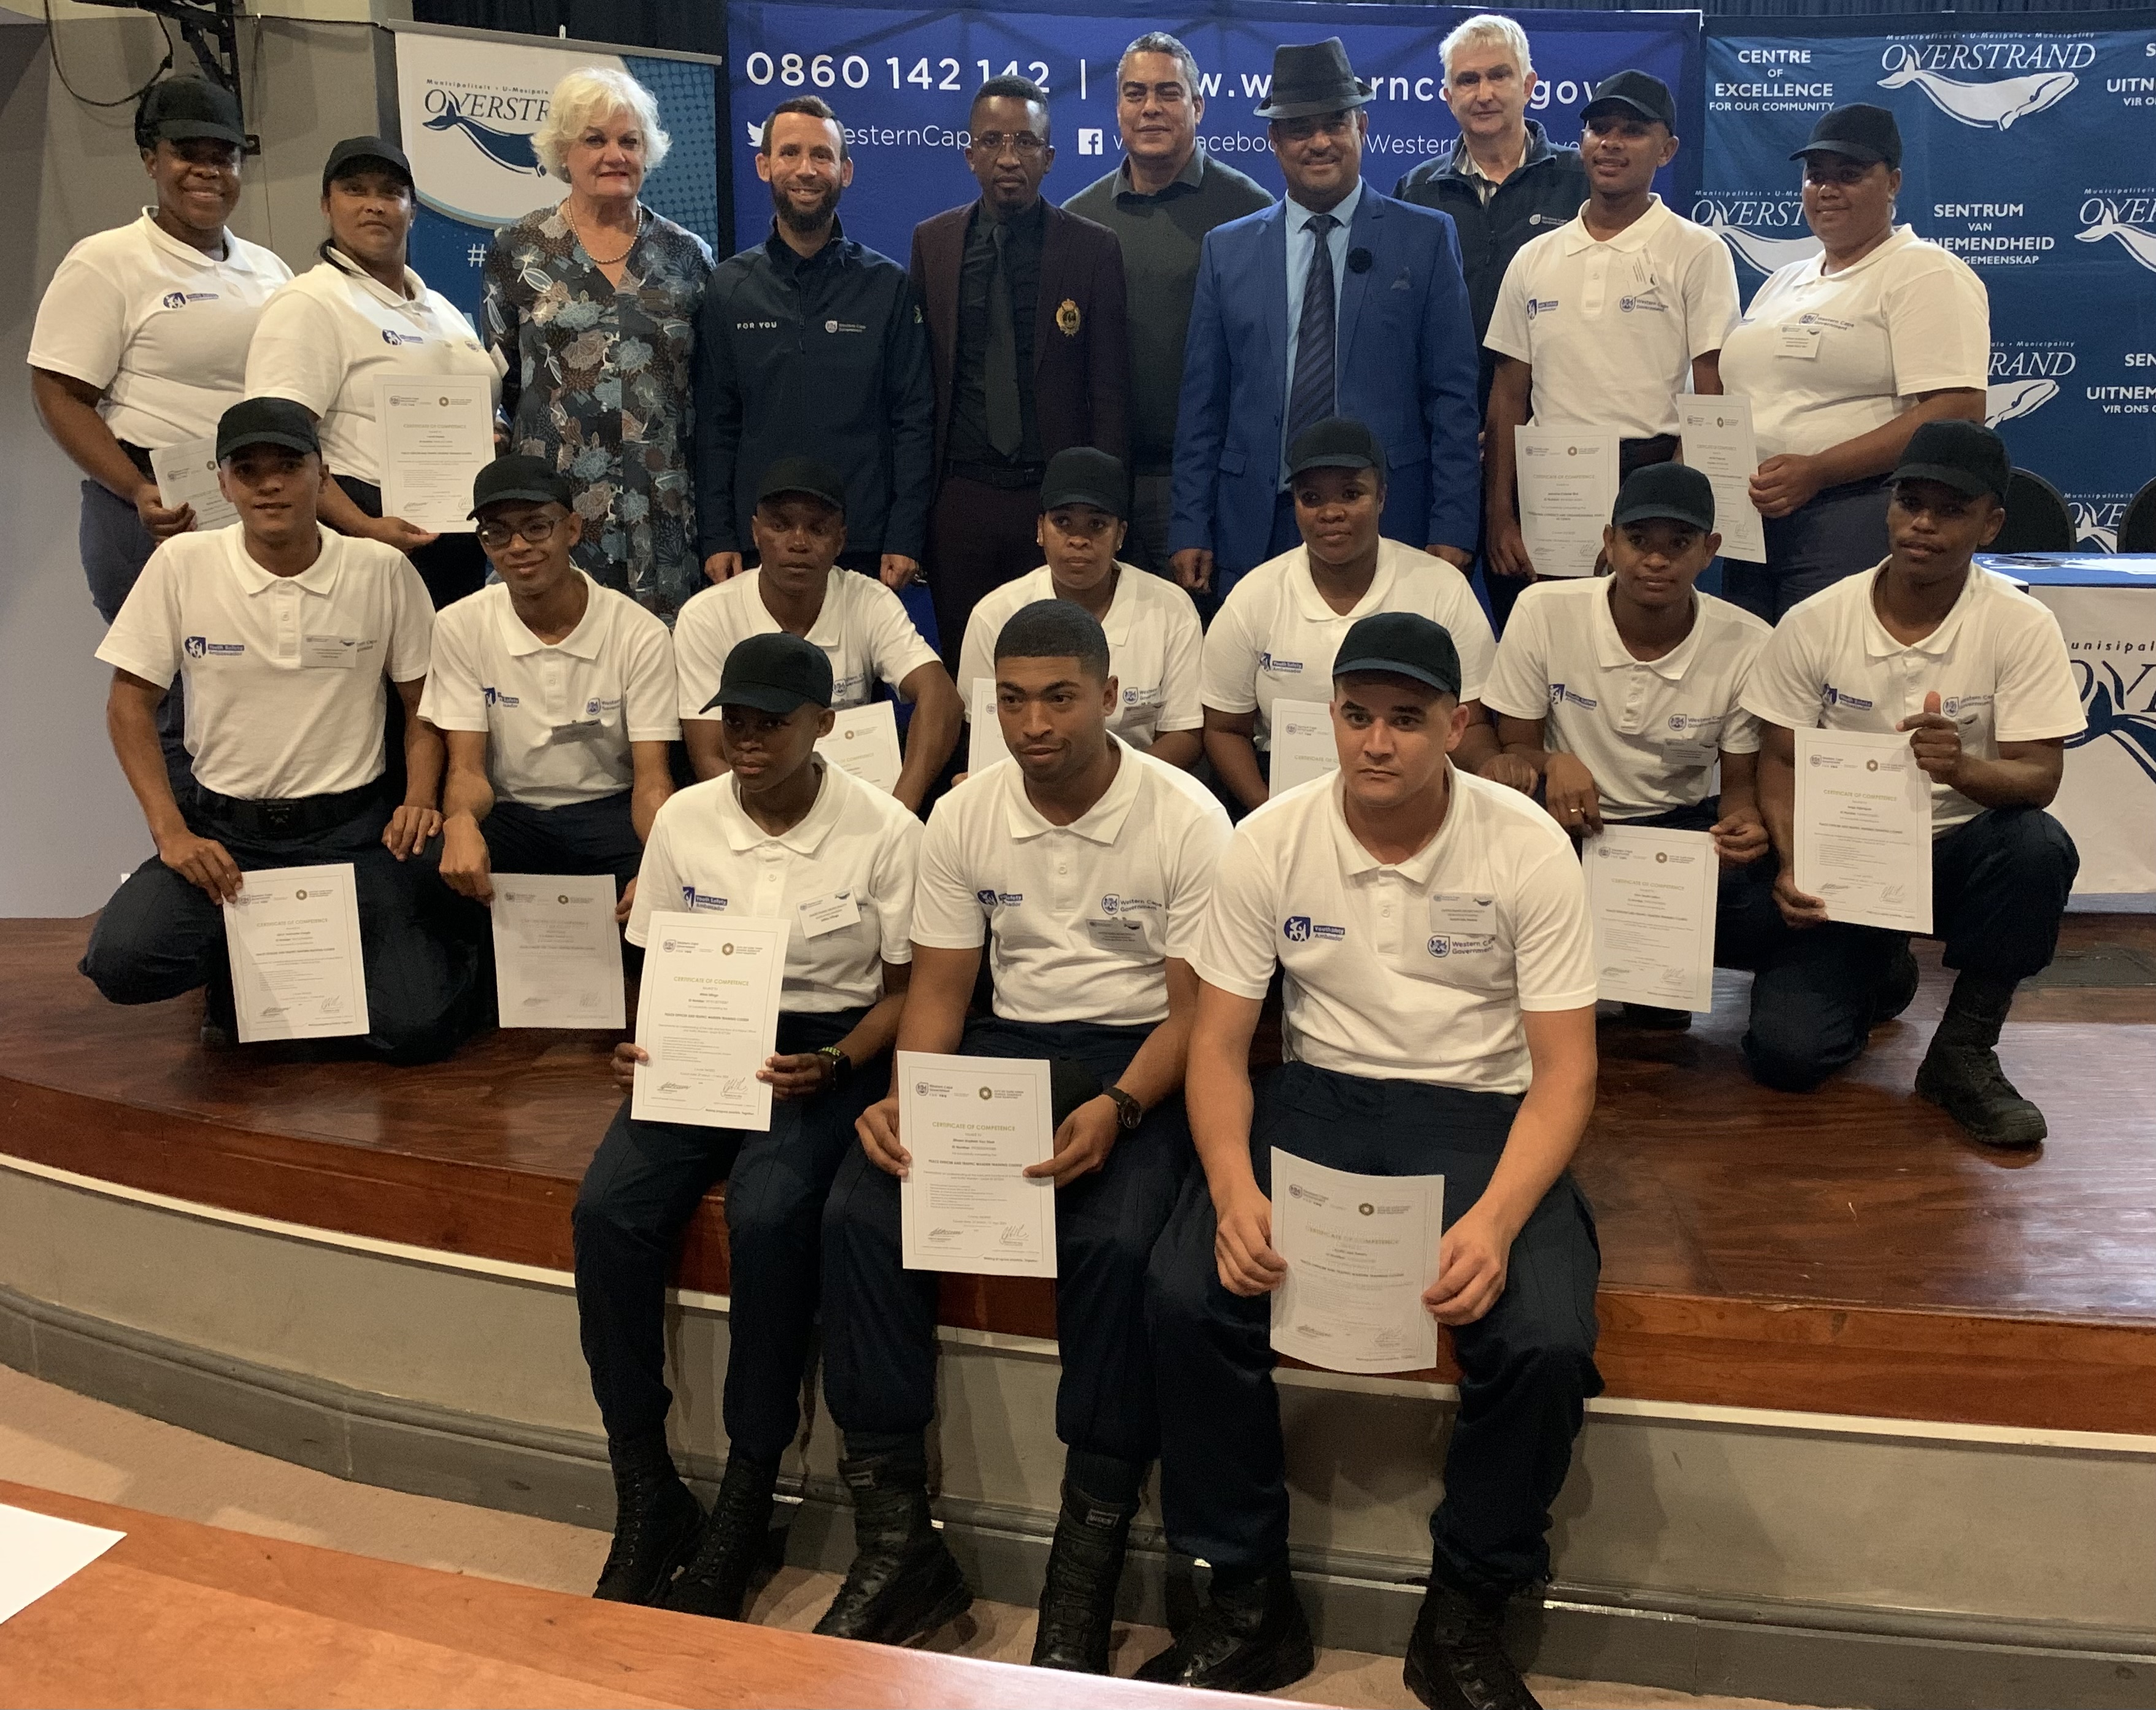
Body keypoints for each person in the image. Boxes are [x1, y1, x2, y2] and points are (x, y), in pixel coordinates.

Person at [1140, 612, 1602, 1710]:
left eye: (1405, 719)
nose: (1377, 743)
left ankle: (1463, 1612)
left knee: (1539, 1336)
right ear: (1329, 718)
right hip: (1319, 1098)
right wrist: (1230, 1187)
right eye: (1356, 716)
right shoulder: (1270, 838)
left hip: (1477, 1107)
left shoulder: (1524, 843)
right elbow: (1213, 1045)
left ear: (1452, 724)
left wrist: (1491, 1221)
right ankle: (1247, 1597)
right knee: (1178, 1289)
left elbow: (1566, 1072)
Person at [817, 602, 1230, 1668]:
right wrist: (914, 1096)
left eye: (1057, 696)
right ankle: (898, 1540)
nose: (1032, 721)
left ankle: (1081, 1569)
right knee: (862, 1206)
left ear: (1108, 697)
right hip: (1011, 1044)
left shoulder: (1185, 817)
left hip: (1138, 1055)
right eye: (1011, 699)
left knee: (1113, 1244)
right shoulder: (963, 814)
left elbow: (1198, 1016)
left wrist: (1122, 1109)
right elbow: (943, 993)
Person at [572, 631, 922, 1617]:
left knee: (769, 1219)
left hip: (825, 1048)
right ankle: (643, 1484)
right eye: (736, 719)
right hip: (705, 1027)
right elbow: (660, 960)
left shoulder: (884, 830)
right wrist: (642, 1047)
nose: (749, 738)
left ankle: (746, 1493)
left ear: (824, 725)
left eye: (773, 721)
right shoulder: (685, 815)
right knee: (607, 1210)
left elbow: (902, 993)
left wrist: (841, 1062)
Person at [77, 397, 474, 1062]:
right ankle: (257, 973)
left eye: (288, 466)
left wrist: (421, 797)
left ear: (323, 477)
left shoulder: (380, 570)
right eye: (248, 468)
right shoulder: (183, 565)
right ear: (224, 481)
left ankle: (330, 969)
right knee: (123, 962)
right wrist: (171, 833)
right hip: (227, 839)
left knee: (418, 1029)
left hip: (352, 836)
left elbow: (423, 705)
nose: (269, 484)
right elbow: (128, 704)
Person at [1738, 422, 2082, 1147]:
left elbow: (2039, 776)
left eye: (1950, 510)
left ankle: (1962, 1054)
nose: (1922, 524)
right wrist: (1797, 859)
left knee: (2035, 847)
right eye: (1909, 502)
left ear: (1990, 523)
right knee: (1787, 1058)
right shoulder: (1815, 621)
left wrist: (1962, 769)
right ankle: (1879, 970)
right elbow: (1779, 759)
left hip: (1956, 850)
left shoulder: (2021, 625)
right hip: (1845, 869)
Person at [28, 77, 292, 805]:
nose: (208, 170)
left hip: (251, 510)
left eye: (226, 155)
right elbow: (59, 394)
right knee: (175, 704)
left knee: (249, 695)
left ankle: (259, 874)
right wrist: (133, 488)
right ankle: (194, 866)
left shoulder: (268, 271)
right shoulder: (108, 260)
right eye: (188, 153)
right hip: (147, 511)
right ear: (151, 159)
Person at [1171, 39, 1479, 599]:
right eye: (1298, 128)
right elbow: (1203, 407)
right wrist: (1190, 522)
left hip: (1390, 523)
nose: (1319, 142)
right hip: (1255, 520)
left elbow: (1453, 398)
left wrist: (1454, 524)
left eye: (1334, 124)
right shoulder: (1228, 250)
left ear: (1362, 126)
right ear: (1274, 141)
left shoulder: (1426, 238)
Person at [1482, 463, 1779, 1026]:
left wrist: (1744, 822)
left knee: (1768, 908)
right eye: (1638, 540)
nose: (1657, 559)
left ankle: (1878, 973)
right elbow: (1512, 749)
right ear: (1609, 541)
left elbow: (1739, 783)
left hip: (1678, 831)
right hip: (1567, 824)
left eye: (1680, 543)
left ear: (1710, 549)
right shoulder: (1544, 611)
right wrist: (1554, 761)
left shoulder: (1749, 642)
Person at [1717, 105, 1988, 622]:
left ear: (1893, 183)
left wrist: (1819, 471)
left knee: (1833, 678)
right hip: (1754, 522)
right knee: (1757, 683)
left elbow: (1958, 408)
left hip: (1851, 513)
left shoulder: (1923, 272)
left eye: (1850, 175)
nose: (1827, 189)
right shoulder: (1784, 280)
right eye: (1815, 175)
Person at [1482, 74, 1738, 596]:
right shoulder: (1534, 257)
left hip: (1651, 484)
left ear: (1667, 150)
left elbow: (1714, 394)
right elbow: (1509, 394)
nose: (1612, 143)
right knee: (1552, 650)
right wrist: (1500, 515)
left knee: (1643, 647)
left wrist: (1668, 510)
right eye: (1599, 128)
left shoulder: (1698, 250)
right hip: (1551, 491)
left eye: (1633, 131)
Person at [910, 76, 1130, 666]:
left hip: (1056, 501)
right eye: (993, 141)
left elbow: (1109, 395)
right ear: (970, 154)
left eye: (1026, 142)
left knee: (1059, 659)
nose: (1009, 157)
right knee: (969, 663)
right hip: (960, 498)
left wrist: (1106, 508)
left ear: (1049, 157)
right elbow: (917, 390)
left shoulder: (1092, 249)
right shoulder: (933, 244)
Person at [483, 67, 714, 623]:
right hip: (553, 515)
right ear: (564, 151)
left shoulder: (688, 256)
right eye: (595, 139)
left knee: (661, 671)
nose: (615, 155)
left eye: (629, 141)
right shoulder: (518, 249)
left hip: (663, 509)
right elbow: (497, 382)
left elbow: (709, 388)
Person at [1200, 418, 1507, 815]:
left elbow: (1473, 724)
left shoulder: (1441, 590)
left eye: (1351, 494)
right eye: (1311, 497)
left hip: (1416, 800)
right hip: (1284, 799)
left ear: (1381, 496)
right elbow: (1225, 728)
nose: (1331, 512)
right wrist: (1272, 816)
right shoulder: (1254, 597)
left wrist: (1488, 766)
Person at [246, 137, 502, 610]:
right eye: (355, 190)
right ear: (326, 204)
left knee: (447, 680)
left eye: (390, 193)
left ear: (412, 209)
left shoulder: (439, 307)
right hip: (367, 534)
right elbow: (279, 444)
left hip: (457, 535)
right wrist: (364, 528)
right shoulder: (310, 302)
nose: (374, 206)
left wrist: (487, 436)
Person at [418, 456, 678, 915]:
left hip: (610, 809)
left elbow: (652, 781)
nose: (517, 546)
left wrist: (663, 864)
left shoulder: (640, 633)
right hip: (511, 812)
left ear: (572, 529)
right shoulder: (459, 625)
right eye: (497, 532)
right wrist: (459, 820)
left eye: (537, 527)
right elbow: (467, 770)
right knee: (436, 863)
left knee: (679, 878)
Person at [695, 96, 934, 591]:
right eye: (790, 153)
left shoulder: (888, 285)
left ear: (845, 170)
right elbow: (716, 425)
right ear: (764, 165)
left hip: (862, 545)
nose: (806, 170)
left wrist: (905, 535)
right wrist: (718, 536)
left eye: (822, 156)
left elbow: (913, 420)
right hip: (759, 544)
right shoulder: (727, 287)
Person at [1065, 34, 1272, 577]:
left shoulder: (1249, 211)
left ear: (1197, 106)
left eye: (1168, 92)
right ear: (1118, 110)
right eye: (1135, 94)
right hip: (1104, 484)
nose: (1151, 107)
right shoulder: (1078, 221)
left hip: (1215, 485)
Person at [674, 459, 960, 809]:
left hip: (856, 805)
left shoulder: (869, 600)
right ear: (755, 532)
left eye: (818, 529)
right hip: (753, 810)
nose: (798, 543)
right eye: (780, 525)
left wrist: (898, 813)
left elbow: (941, 698)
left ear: (841, 541)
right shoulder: (707, 615)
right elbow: (710, 757)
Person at [1392, 14, 1588, 418]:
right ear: (1448, 97)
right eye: (1467, 80)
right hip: (1444, 426)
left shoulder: (1582, 182)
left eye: (1499, 76)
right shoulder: (1417, 190)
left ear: (1529, 86)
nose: (1483, 94)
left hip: (1560, 427)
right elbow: (1401, 319)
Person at [957, 447, 1204, 768]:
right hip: (1029, 785)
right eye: (1063, 522)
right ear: (1040, 530)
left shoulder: (1170, 609)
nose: (1078, 539)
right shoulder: (994, 616)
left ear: (1121, 536)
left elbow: (1184, 733)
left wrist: (1110, 787)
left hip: (1139, 784)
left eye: (1097, 525)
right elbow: (987, 738)